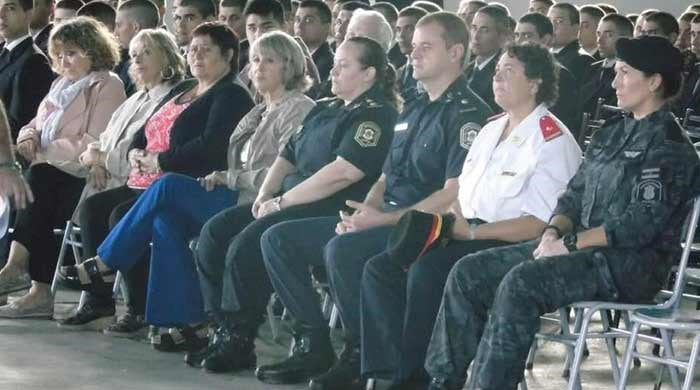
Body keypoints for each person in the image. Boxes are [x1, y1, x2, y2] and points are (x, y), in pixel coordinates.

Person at [424, 35, 700, 390]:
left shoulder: (669, 146)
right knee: (469, 271)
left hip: (629, 265)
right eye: (615, 72)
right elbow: (573, 194)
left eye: (624, 73)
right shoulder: (611, 134)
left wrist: (568, 243)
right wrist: (554, 231)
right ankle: (442, 381)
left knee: (522, 282)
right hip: (578, 249)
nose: (614, 82)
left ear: (654, 81)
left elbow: (638, 226)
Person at [255, 12, 491, 389]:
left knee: (343, 250)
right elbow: (384, 174)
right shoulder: (411, 105)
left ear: (456, 52)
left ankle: (368, 357)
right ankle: (320, 344)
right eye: (412, 47)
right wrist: (367, 209)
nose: (412, 54)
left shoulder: (468, 115)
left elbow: (453, 193)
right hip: (384, 216)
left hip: (426, 227)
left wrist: (379, 221)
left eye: (425, 47)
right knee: (280, 239)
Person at [61, 32, 313, 344]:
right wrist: (221, 174)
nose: (258, 67)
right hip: (231, 191)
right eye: (257, 59)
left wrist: (226, 176)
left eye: (269, 61)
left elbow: (283, 172)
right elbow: (233, 160)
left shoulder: (298, 109)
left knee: (167, 186)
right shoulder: (258, 111)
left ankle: (106, 262)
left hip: (258, 202)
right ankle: (184, 323)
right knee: (165, 220)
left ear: (290, 66)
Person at [361, 42, 582, 390]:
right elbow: (462, 191)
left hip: (510, 242)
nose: (498, 78)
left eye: (509, 72)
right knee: (383, 267)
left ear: (536, 83)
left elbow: (541, 224)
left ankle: (416, 379)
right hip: (465, 229)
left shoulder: (551, 140)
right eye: (497, 72)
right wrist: (456, 225)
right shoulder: (491, 129)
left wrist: (472, 234)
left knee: (427, 270)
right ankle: (389, 368)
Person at [191, 35, 399, 375]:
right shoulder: (327, 106)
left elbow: (343, 172)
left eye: (344, 65)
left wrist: (282, 201)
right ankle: (222, 329)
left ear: (369, 74)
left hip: (329, 206)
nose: (333, 70)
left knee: (251, 243)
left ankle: (278, 340)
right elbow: (287, 155)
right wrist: (265, 195)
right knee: (216, 233)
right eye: (335, 63)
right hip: (288, 200)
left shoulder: (375, 116)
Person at [56, 28, 187, 328]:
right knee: (92, 209)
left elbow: (142, 149)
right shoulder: (135, 97)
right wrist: (95, 159)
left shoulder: (172, 99)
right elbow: (102, 139)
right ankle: (98, 300)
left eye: (147, 52)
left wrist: (101, 159)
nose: (137, 59)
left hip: (149, 182)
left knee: (117, 214)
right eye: (134, 54)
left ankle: (138, 307)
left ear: (166, 57)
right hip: (114, 176)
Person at [0, 16, 126, 318]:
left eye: (72, 52)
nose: (63, 60)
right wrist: (29, 138)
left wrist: (41, 151)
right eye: (59, 53)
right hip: (52, 171)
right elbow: (34, 123)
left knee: (37, 180)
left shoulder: (108, 85)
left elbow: (94, 140)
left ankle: (21, 272)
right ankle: (32, 285)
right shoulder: (61, 84)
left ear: (93, 50)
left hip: (86, 175)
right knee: (35, 181)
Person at [514, 12, 580, 133]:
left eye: (527, 36)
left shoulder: (561, 76)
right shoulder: (514, 71)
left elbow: (557, 123)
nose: (519, 41)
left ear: (545, 40)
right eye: (517, 35)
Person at [0, 0, 54, 139]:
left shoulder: (34, 62)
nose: (1, 15)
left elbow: (17, 125)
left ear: (29, 14)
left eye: (10, 8)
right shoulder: (3, 50)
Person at [580, 13, 633, 118]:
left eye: (609, 35)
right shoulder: (591, 68)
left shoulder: (630, 73)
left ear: (627, 38)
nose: (599, 40)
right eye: (598, 34)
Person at [112, 0, 161, 97]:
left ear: (136, 27)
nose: (115, 33)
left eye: (119, 25)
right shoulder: (123, 60)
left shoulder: (149, 65)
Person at [466, 5, 508, 113]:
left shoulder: (503, 73)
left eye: (484, 30)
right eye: (474, 28)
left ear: (502, 35)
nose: (476, 36)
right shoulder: (465, 69)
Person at [548, 2, 594, 84]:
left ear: (576, 28)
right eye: (549, 20)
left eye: (559, 21)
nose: (551, 26)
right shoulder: (545, 55)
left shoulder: (583, 61)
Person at [295, 0, 333, 81]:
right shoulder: (292, 58)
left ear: (327, 28)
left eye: (308, 20)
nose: (299, 26)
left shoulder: (330, 64)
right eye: (298, 20)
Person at [395, 6, 425, 100]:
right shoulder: (398, 72)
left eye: (408, 28)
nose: (401, 35)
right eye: (398, 29)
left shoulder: (432, 70)